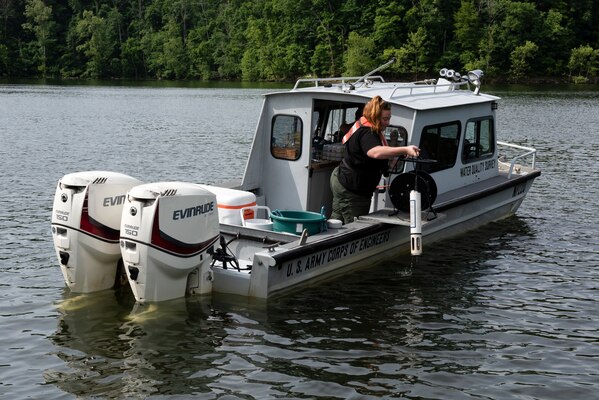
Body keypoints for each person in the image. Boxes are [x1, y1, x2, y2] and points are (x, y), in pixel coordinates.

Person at [330, 96, 420, 224]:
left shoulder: (365, 126)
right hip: (352, 190)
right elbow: (375, 152)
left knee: (337, 220)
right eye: (385, 119)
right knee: (354, 226)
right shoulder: (368, 132)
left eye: (389, 118)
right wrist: (404, 149)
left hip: (343, 180)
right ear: (375, 117)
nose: (388, 122)